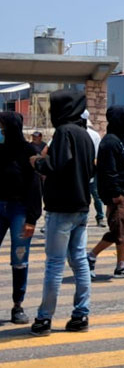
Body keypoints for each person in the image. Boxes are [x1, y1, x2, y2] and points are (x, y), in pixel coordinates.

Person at [29, 90, 94, 337]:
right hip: (80, 207)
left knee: (55, 264)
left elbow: (54, 165)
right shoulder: (85, 134)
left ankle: (44, 319)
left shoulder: (65, 132)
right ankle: (81, 315)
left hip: (61, 208)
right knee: (79, 262)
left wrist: (36, 162)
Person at [87, 106, 124, 280]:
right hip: (119, 197)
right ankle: (91, 256)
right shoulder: (109, 142)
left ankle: (121, 265)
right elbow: (108, 171)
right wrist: (116, 194)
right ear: (121, 120)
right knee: (117, 231)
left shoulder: (122, 141)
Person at [0, 112, 42, 325]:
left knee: (19, 259)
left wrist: (32, 219)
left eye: (3, 126)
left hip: (20, 210)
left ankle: (18, 306)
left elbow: (35, 187)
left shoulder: (28, 152)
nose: (2, 130)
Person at [84, 113, 106, 228]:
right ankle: (99, 217)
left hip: (89, 169)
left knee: (94, 194)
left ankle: (99, 217)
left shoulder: (93, 135)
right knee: (95, 195)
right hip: (91, 169)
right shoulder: (95, 135)